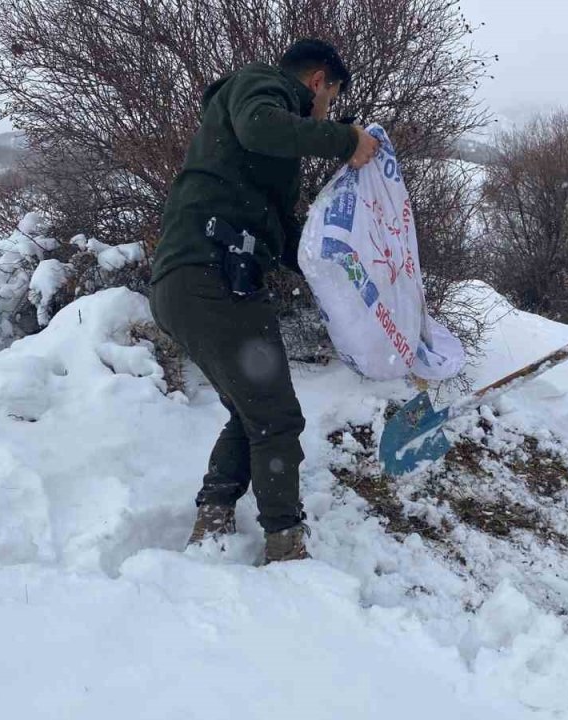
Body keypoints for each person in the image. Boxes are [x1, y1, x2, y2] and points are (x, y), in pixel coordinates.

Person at [148, 38, 379, 562]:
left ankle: (214, 516)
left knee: (250, 410)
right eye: (331, 99)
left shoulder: (257, 150)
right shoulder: (259, 84)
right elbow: (261, 126)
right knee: (277, 417)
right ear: (318, 81)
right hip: (213, 276)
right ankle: (285, 542)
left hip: (189, 282)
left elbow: (287, 236)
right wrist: (346, 139)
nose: (327, 111)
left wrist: (344, 276)